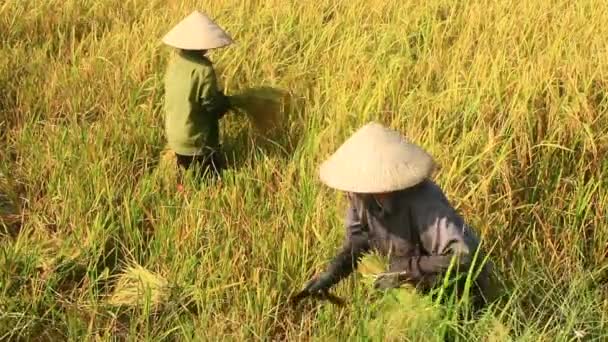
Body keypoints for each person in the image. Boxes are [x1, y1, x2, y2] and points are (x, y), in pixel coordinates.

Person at [298, 122, 496, 309]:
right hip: (418, 285)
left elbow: (461, 259)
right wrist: (331, 274)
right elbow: (358, 242)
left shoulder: (424, 202)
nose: (351, 193)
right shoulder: (360, 196)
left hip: (459, 290)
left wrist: (403, 271)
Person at [161, 10, 234, 177]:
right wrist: (225, 103)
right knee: (213, 176)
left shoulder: (174, 62)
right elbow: (211, 104)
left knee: (186, 169)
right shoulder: (204, 69)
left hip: (175, 134)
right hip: (196, 139)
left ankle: (181, 187)